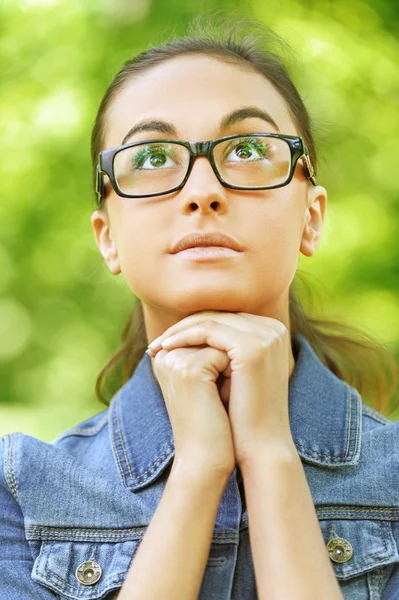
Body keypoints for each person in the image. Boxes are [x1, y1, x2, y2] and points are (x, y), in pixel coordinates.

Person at [1, 11, 398, 600]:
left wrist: (269, 456)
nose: (203, 191)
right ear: (107, 236)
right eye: (154, 158)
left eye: (246, 149)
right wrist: (198, 470)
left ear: (310, 217)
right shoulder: (23, 492)